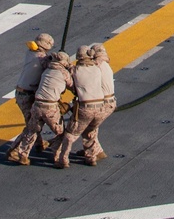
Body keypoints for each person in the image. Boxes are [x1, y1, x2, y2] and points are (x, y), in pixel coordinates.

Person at [54, 42, 116, 169]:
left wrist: (59, 59)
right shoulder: (99, 67)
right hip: (103, 106)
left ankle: (63, 159)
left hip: (87, 107)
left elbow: (69, 79)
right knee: (90, 129)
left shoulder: (76, 70)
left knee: (70, 134)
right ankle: (92, 155)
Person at [10, 50, 73, 167]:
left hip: (37, 105)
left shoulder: (46, 71)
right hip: (50, 107)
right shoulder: (64, 73)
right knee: (62, 132)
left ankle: (23, 155)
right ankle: (57, 156)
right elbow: (72, 87)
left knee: (32, 130)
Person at [7, 31, 54, 159]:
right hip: (27, 96)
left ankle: (39, 143)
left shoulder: (30, 53)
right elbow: (53, 68)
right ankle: (15, 150)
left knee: (32, 120)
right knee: (32, 125)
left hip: (21, 92)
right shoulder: (42, 58)